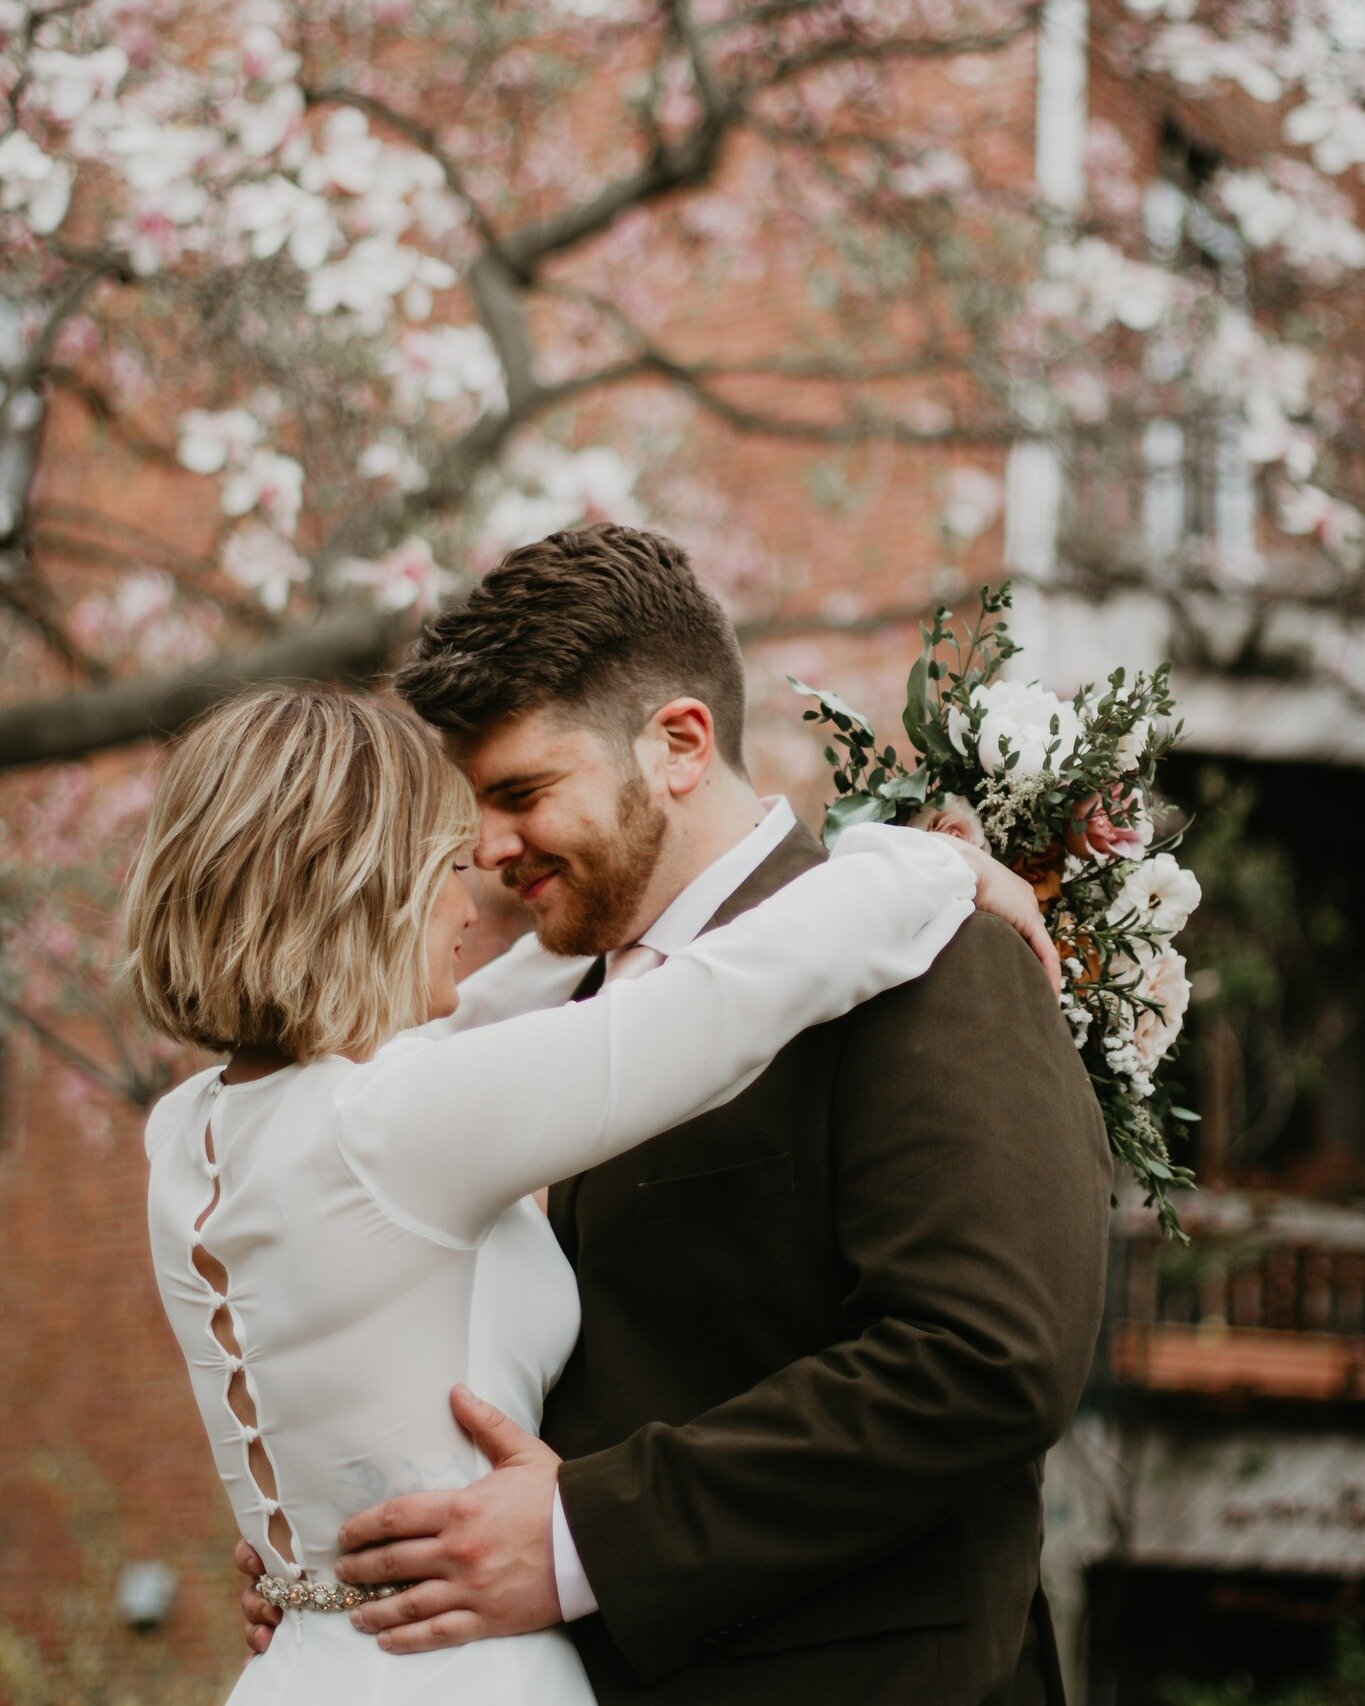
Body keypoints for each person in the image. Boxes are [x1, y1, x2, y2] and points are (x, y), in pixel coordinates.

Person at [237, 525, 1113, 1706]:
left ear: (679, 745)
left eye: (523, 792)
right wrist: (352, 1547)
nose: (489, 851)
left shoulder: (933, 960)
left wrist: (580, 1537)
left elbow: (984, 1360)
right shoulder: (575, 1020)